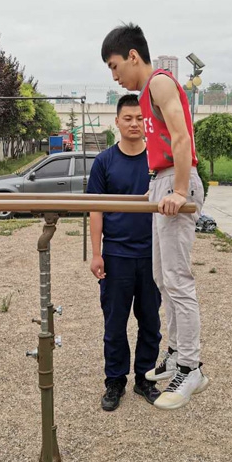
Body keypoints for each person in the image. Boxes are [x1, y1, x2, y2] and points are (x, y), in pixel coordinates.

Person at [101, 23, 208, 410]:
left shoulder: (160, 83)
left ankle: (191, 367)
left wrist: (178, 189)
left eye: (115, 67)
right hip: (163, 179)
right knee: (163, 278)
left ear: (133, 56)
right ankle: (176, 353)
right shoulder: (146, 94)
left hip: (177, 179)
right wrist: (157, 186)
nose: (115, 77)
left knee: (178, 280)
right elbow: (163, 144)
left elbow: (181, 136)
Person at [87, 94, 162, 411]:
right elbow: (95, 209)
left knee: (151, 323)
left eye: (139, 118)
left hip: (152, 254)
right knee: (115, 324)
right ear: (116, 121)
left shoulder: (158, 161)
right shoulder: (104, 162)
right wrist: (96, 253)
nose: (134, 124)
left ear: (147, 122)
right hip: (116, 255)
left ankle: (145, 379)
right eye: (127, 118)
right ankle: (115, 380)